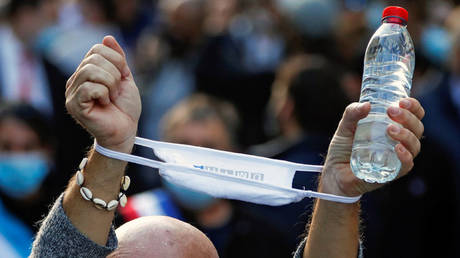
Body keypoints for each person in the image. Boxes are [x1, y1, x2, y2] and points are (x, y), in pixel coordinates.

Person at [30, 36, 423, 257]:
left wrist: (338, 193)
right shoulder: (125, 212)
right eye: (185, 146)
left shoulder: (261, 235)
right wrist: (112, 147)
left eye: (208, 147)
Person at [118, 93, 291, 257]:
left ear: (233, 155)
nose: (195, 161)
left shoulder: (265, 239)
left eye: (209, 148)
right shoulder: (127, 221)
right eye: (184, 145)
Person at [0, 103, 60, 257]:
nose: (17, 157)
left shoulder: (71, 208)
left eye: (28, 147)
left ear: (48, 151)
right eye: (6, 147)